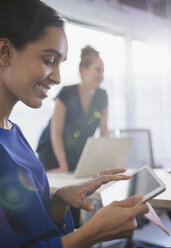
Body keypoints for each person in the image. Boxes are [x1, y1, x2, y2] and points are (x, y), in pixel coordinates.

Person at [0, 0, 149, 247]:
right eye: (49, 60)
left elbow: (31, 229)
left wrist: (59, 202)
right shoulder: (65, 98)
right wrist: (92, 233)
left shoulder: (14, 133)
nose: (57, 77)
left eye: (61, 64)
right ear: (5, 52)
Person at [37, 45, 109, 173]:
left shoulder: (102, 96)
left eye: (103, 71)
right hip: (53, 153)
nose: (101, 75)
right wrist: (63, 164)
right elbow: (56, 133)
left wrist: (108, 161)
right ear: (83, 71)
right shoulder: (66, 93)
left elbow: (104, 132)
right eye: (98, 70)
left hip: (77, 154)